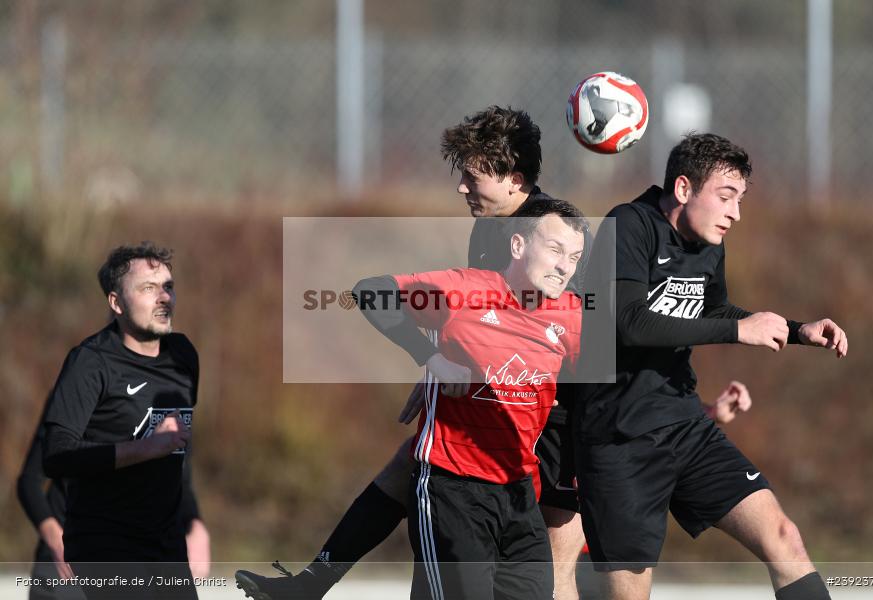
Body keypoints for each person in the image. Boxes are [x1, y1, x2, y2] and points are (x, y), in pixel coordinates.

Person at [235, 107, 753, 600]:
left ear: (512, 179)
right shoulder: (491, 229)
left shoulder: (556, 237)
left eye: (472, 176)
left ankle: (314, 582)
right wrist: (437, 359)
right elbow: (481, 317)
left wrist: (692, 412)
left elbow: (605, 334)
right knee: (417, 472)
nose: (462, 186)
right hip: (511, 400)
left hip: (569, 418)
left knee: (552, 565)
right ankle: (313, 581)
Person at [574, 133, 848, 600]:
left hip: (685, 426)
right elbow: (629, 322)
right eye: (725, 197)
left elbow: (715, 313)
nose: (735, 213)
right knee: (628, 594)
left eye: (740, 199)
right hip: (620, 438)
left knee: (784, 538)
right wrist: (739, 332)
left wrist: (797, 330)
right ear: (683, 190)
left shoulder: (709, 245)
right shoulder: (629, 224)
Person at [40, 242, 201, 600]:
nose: (164, 298)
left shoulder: (184, 355)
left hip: (167, 546)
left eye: (169, 287)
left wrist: (195, 521)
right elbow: (56, 455)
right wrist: (144, 448)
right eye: (148, 288)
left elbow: (177, 456)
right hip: (106, 546)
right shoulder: (90, 362)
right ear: (116, 303)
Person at [17, 398, 210, 600]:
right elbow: (29, 482)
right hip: (66, 568)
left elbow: (178, 482)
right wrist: (57, 540)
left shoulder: (171, 397)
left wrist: (196, 524)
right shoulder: (78, 388)